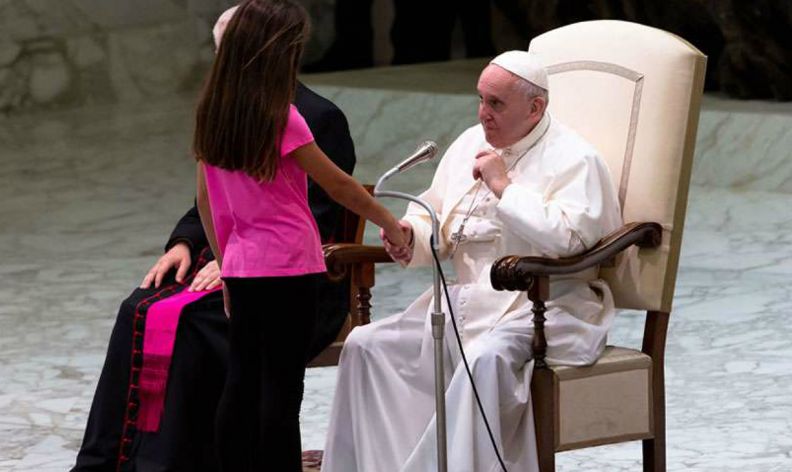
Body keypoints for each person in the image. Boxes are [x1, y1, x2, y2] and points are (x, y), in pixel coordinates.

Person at [72, 6, 358, 472]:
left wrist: (231, 260)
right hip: (234, 258)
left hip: (296, 276)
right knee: (137, 308)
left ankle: (181, 460)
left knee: (193, 322)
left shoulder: (318, 116)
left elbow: (322, 211)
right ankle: (112, 461)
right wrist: (184, 244)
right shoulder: (225, 110)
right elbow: (205, 200)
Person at [322, 50, 623, 471]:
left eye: (496, 103)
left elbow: (571, 241)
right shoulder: (469, 143)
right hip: (467, 303)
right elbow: (435, 215)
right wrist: (410, 236)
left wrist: (504, 187)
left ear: (535, 108)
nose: (483, 113)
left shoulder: (575, 159)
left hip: (546, 306)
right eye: (481, 99)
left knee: (484, 358)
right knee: (365, 345)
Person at [192, 1, 408, 471]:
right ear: (275, 52)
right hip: (291, 264)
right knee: (282, 388)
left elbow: (207, 203)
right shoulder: (282, 116)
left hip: (242, 266)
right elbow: (339, 186)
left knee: (241, 380)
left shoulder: (212, 113)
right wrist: (391, 224)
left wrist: (227, 265)